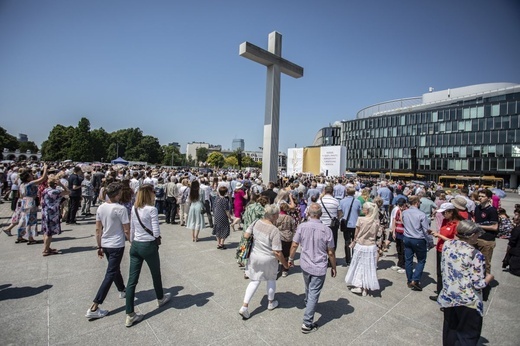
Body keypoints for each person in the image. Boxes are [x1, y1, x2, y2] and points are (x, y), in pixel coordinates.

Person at [438, 220, 494, 346]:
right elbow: (477, 283)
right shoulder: (475, 254)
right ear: (472, 235)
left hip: (449, 295)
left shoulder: (448, 244)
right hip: (467, 300)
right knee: (467, 336)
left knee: (450, 330)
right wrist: (489, 278)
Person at [126, 184, 171, 327]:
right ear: (149, 194)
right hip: (148, 244)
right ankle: (160, 297)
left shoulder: (134, 208)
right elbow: (156, 232)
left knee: (132, 280)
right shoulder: (152, 209)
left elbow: (132, 229)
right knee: (155, 274)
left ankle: (130, 313)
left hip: (136, 244)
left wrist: (133, 241)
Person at [288, 203, 336, 334]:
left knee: (308, 286)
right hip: (319, 265)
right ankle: (307, 323)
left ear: (308, 213)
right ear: (320, 214)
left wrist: (291, 259)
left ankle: (307, 302)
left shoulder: (302, 226)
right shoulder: (327, 230)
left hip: (305, 263)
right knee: (314, 291)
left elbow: (294, 244)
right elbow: (330, 252)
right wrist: (334, 266)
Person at [85, 182, 130, 320]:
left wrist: (99, 246)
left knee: (114, 269)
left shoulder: (101, 207)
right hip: (116, 244)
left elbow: (98, 229)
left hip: (105, 243)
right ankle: (95, 305)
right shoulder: (120, 209)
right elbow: (126, 229)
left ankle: (122, 289)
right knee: (110, 273)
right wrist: (132, 242)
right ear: (117, 194)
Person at [238, 204, 288, 320]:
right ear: (274, 215)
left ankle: (245, 306)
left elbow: (246, 235)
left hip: (255, 256)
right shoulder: (274, 230)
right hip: (268, 259)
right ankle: (271, 302)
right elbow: (277, 252)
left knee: (254, 280)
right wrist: (285, 264)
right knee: (271, 279)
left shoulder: (256, 222)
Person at [429, 202, 464, 301]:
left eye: (445, 213)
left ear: (451, 212)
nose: (443, 215)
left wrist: (439, 236)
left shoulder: (457, 224)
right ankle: (440, 292)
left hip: (449, 251)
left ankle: (447, 295)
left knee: (447, 274)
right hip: (440, 249)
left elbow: (455, 241)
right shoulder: (445, 221)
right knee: (439, 272)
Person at [345, 201, 380, 296]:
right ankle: (365, 287)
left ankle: (359, 286)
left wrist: (355, 240)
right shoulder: (376, 221)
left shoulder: (361, 219)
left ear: (366, 210)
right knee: (368, 266)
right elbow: (376, 234)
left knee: (359, 265)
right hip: (371, 245)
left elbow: (356, 233)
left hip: (361, 245)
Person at [401, 195, 434, 291]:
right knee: (421, 260)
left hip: (407, 237)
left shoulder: (405, 212)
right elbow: (426, 230)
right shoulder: (421, 214)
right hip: (418, 239)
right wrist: (430, 242)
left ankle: (409, 279)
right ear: (417, 203)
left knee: (408, 260)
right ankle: (415, 280)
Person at [17, 164, 48, 244]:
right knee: (31, 221)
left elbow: (20, 195)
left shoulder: (22, 184)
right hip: (30, 202)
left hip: (24, 201)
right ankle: (30, 238)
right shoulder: (30, 183)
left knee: (23, 220)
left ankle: (20, 236)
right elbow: (43, 178)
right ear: (27, 178)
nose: (32, 176)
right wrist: (45, 169)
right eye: (30, 175)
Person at [41, 175, 69, 256]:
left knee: (46, 231)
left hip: (45, 212)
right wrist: (62, 185)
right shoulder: (55, 191)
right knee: (49, 233)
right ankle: (46, 250)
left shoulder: (45, 190)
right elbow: (68, 192)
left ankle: (47, 247)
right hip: (52, 213)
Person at [338, 187, 361, 266]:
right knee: (355, 241)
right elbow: (359, 212)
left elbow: (340, 212)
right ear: (354, 193)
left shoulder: (342, 201)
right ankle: (354, 258)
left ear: (347, 193)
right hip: (355, 223)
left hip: (346, 223)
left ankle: (348, 259)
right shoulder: (357, 202)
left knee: (347, 242)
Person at [275, 202, 296, 277]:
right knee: (286, 254)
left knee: (277, 252)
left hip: (278, 236)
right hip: (288, 237)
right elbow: (293, 228)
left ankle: (275, 269)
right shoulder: (290, 218)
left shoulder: (276, 217)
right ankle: (285, 270)